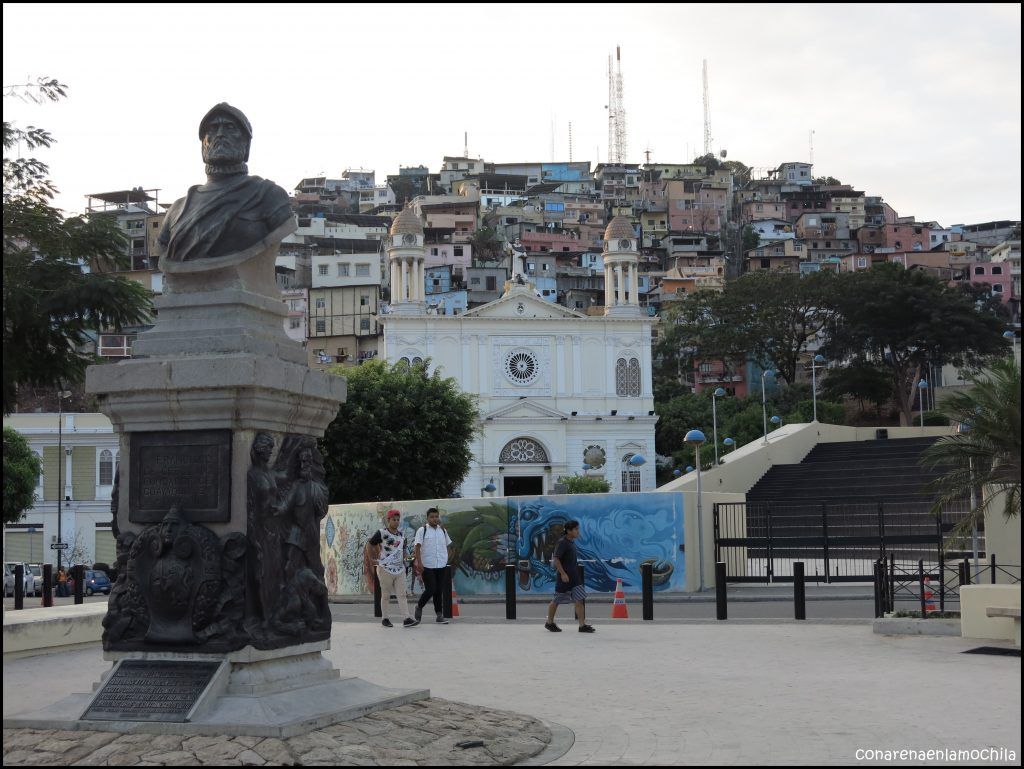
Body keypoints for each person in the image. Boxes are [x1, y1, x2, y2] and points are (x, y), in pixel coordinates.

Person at [157, 103, 295, 271]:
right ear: (203, 146)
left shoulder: (268, 195)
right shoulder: (176, 210)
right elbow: (163, 248)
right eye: (213, 129)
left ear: (246, 145)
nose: (220, 134)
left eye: (230, 127)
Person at [367, 510, 418, 628]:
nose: (396, 522)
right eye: (393, 519)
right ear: (388, 520)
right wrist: (371, 558)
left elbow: (403, 552)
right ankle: (385, 618)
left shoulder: (401, 536)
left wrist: (411, 557)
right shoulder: (381, 533)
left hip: (400, 569)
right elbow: (370, 544)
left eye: (397, 519)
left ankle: (406, 618)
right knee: (386, 595)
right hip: (385, 568)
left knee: (402, 594)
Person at [545, 520, 595, 633]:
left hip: (574, 577)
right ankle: (549, 623)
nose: (578, 531)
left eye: (578, 529)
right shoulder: (562, 542)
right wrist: (562, 574)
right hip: (565, 578)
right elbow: (556, 559)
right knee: (557, 600)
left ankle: (582, 625)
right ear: (569, 531)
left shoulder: (571, 542)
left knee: (579, 600)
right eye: (576, 529)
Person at [413, 507, 453, 624]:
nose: (435, 519)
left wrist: (447, 558)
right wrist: (419, 562)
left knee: (438, 591)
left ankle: (439, 615)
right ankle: (419, 606)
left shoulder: (443, 531)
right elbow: (417, 547)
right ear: (427, 518)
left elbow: (448, 544)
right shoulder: (422, 530)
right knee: (431, 589)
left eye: (436, 516)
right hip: (427, 565)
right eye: (432, 517)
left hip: (441, 564)